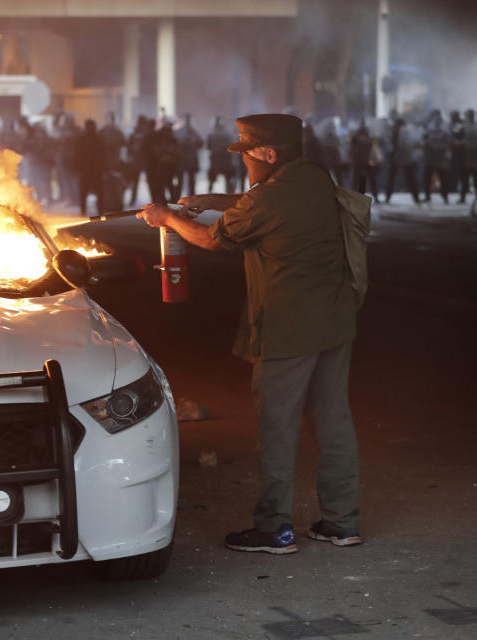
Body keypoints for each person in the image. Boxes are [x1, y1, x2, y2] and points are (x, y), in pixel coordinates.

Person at [136, 113, 362, 554]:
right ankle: (342, 523)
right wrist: (211, 197)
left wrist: (166, 217)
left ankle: (274, 529)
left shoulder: (268, 201)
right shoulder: (314, 177)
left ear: (268, 155)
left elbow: (212, 240)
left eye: (246, 154)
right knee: (333, 422)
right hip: (333, 322)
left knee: (277, 429)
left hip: (287, 331)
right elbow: (257, 201)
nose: (243, 163)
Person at [384, 116, 420, 204]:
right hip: (400, 158)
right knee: (407, 178)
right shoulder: (399, 132)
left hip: (402, 158)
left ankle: (416, 198)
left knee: (408, 178)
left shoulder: (401, 132)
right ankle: (416, 198)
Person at [74, 119, 106, 215]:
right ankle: (99, 210)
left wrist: (77, 167)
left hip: (87, 169)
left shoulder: (83, 139)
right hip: (95, 169)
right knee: (98, 191)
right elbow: (103, 155)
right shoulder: (98, 138)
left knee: (85, 191)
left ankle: (84, 210)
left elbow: (77, 154)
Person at [144, 120, 180, 205]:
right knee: (164, 184)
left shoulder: (171, 141)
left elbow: (174, 152)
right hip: (165, 165)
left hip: (169, 165)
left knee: (167, 184)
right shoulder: (165, 140)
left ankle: (171, 201)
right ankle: (167, 201)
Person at [423, 110, 450, 204]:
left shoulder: (444, 127)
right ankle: (428, 196)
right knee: (429, 177)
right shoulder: (429, 126)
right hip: (432, 156)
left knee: (443, 178)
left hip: (439, 156)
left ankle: (445, 196)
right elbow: (425, 139)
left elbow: (447, 141)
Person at [349, 121, 380, 202]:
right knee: (371, 179)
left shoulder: (356, 138)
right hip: (367, 161)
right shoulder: (368, 138)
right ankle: (376, 197)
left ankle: (354, 197)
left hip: (359, 161)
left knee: (356, 180)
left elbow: (352, 149)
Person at [176, 114, 204, 198]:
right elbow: (200, 143)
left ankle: (178, 197)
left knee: (182, 181)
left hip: (183, 160)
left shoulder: (180, 132)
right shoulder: (193, 132)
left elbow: (200, 143)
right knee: (188, 181)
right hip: (188, 160)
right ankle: (189, 197)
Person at [207, 116, 236, 192]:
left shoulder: (211, 134)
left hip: (215, 160)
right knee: (228, 179)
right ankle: (229, 194)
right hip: (225, 160)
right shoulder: (227, 134)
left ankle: (209, 193)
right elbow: (231, 146)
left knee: (212, 180)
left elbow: (208, 146)